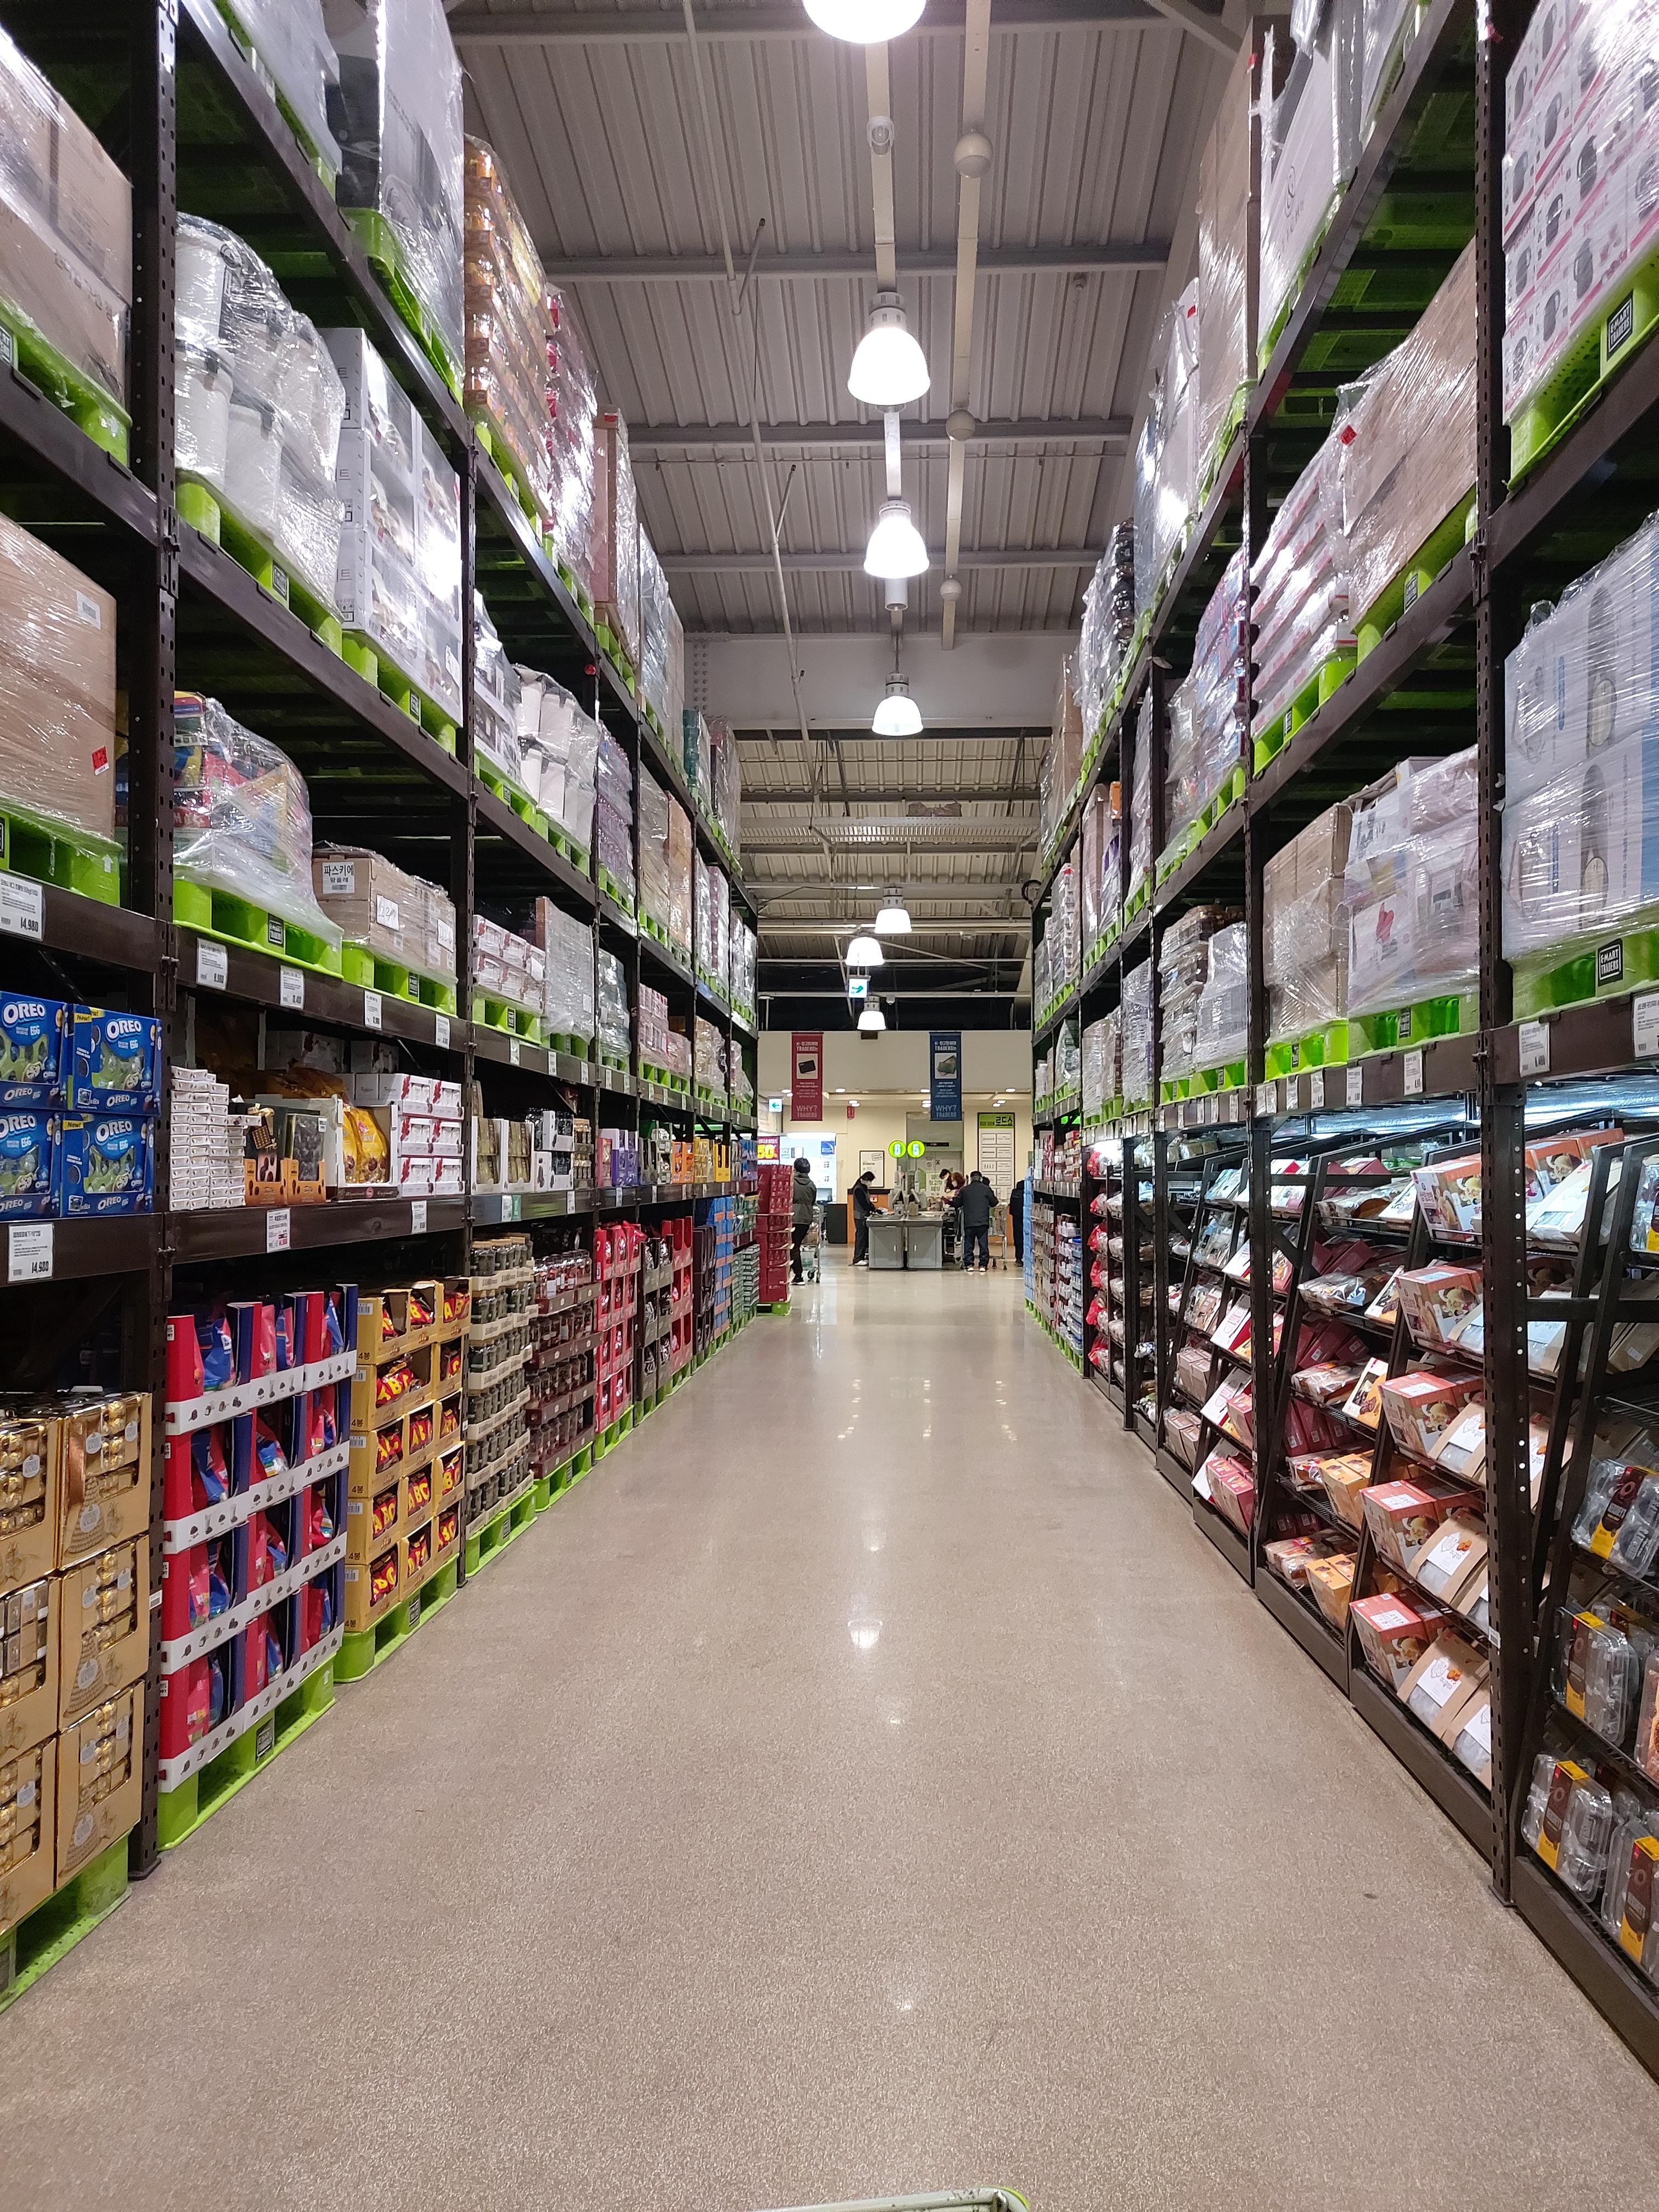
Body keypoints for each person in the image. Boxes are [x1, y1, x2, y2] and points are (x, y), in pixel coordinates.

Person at [953, 1168, 995, 1272]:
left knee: (969, 1243)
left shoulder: (965, 1190)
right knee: (983, 1244)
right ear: (980, 1179)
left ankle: (969, 1264)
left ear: (971, 1179)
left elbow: (957, 1203)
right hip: (983, 1222)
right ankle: (983, 1265)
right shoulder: (986, 1189)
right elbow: (994, 1202)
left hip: (969, 1222)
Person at [790, 1156, 817, 1282]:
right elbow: (812, 1201)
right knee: (796, 1246)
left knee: (793, 1247)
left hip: (793, 1218)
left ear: (795, 1169)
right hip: (806, 1219)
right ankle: (797, 1275)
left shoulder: (791, 1183)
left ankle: (798, 1276)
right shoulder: (811, 1185)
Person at [849, 1169, 877, 1266]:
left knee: (864, 1237)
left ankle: (862, 1256)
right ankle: (857, 1259)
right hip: (860, 1216)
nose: (870, 1183)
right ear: (865, 1180)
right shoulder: (858, 1189)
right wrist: (873, 1209)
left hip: (864, 1216)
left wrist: (874, 1208)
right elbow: (864, 1204)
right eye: (870, 1181)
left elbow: (868, 1202)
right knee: (861, 1237)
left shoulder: (863, 1188)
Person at [1008, 1177, 1025, 1266]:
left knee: (1018, 1239)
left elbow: (1011, 1209)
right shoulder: (1026, 1194)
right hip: (1026, 1219)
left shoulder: (1014, 1193)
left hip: (1016, 1219)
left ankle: (1018, 1259)